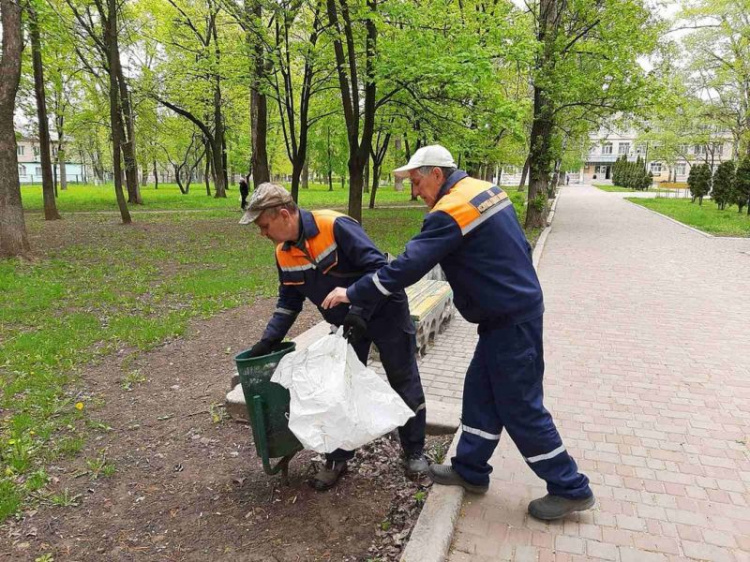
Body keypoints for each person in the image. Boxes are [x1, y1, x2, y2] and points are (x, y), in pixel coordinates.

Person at [321, 145, 594, 520]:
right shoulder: (485, 190)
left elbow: (407, 266)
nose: (415, 191)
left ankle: (570, 487)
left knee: (520, 406)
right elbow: (519, 245)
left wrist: (352, 292)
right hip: (508, 315)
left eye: (416, 181)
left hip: (511, 321)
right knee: (479, 393)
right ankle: (470, 470)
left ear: (436, 174)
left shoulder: (449, 212)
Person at [239, 183, 428, 491]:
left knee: (403, 379)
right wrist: (268, 341)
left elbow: (378, 269)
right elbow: (289, 301)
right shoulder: (283, 254)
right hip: (348, 325)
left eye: (264, 226)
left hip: (386, 311)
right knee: (339, 388)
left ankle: (414, 451)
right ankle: (338, 458)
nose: (262, 233)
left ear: (284, 214)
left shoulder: (334, 225)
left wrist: (359, 309)